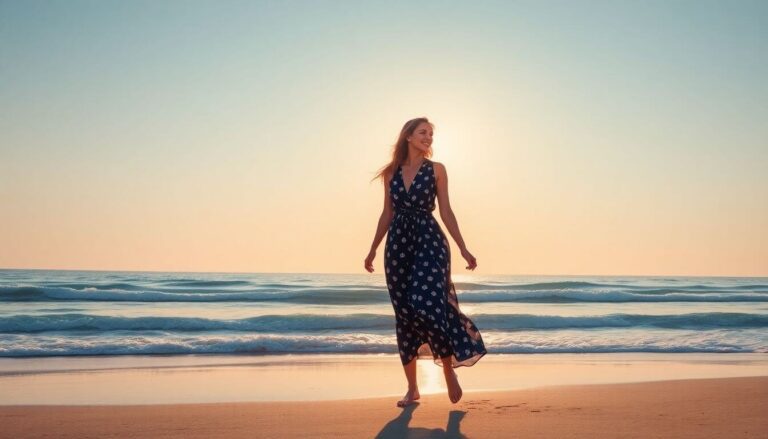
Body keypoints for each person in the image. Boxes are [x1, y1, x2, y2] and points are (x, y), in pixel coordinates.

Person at [364, 117, 487, 407]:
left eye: (431, 134)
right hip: (398, 246)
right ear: (408, 136)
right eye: (423, 132)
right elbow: (387, 213)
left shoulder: (437, 170)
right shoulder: (391, 173)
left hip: (430, 241)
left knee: (428, 304)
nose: (428, 137)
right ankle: (412, 389)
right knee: (404, 314)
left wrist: (463, 247)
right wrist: (372, 249)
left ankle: (448, 369)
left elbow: (446, 211)